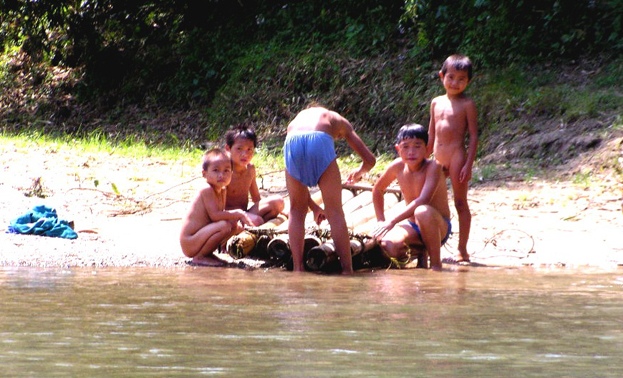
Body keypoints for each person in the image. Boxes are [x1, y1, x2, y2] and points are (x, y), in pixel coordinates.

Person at [284, 105, 376, 274]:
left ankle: (298, 269)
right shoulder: (337, 119)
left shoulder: (297, 120)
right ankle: (347, 270)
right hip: (318, 141)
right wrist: (359, 172)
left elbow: (300, 195)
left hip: (291, 142)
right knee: (335, 212)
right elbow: (370, 160)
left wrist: (313, 207)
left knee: (296, 211)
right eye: (339, 137)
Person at [372, 124, 452, 271]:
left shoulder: (434, 166)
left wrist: (392, 221)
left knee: (422, 211)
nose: (411, 152)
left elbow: (423, 200)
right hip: (413, 226)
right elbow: (378, 189)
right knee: (388, 246)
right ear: (398, 149)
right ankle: (421, 252)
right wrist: (380, 221)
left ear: (427, 149)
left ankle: (436, 266)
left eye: (417, 146)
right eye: (406, 146)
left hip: (438, 226)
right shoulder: (397, 166)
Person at [427, 54, 478, 263]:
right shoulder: (436, 102)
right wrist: (423, 158)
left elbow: (474, 136)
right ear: (441, 76)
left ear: (468, 81)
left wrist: (468, 164)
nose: (455, 83)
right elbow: (431, 133)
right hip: (437, 157)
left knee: (460, 202)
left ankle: (462, 249)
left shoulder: (467, 104)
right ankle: (431, 247)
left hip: (457, 156)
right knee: (429, 200)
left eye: (461, 79)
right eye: (451, 77)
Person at [180, 148, 253, 266]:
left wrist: (236, 223)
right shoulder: (207, 189)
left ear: (232, 173)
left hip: (200, 238)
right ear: (204, 174)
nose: (221, 175)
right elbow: (215, 216)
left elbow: (221, 214)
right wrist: (239, 213)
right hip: (190, 242)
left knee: (233, 225)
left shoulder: (222, 190)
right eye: (216, 170)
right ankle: (200, 257)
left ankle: (208, 253)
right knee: (224, 225)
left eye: (226, 171)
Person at [224, 123, 285, 226]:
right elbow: (216, 208)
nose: (245, 154)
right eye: (239, 149)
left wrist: (276, 210)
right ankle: (251, 225)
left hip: (245, 214)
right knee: (257, 220)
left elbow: (256, 198)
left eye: (249, 149)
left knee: (278, 202)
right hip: (227, 217)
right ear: (228, 148)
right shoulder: (224, 171)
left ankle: (252, 225)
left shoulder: (250, 169)